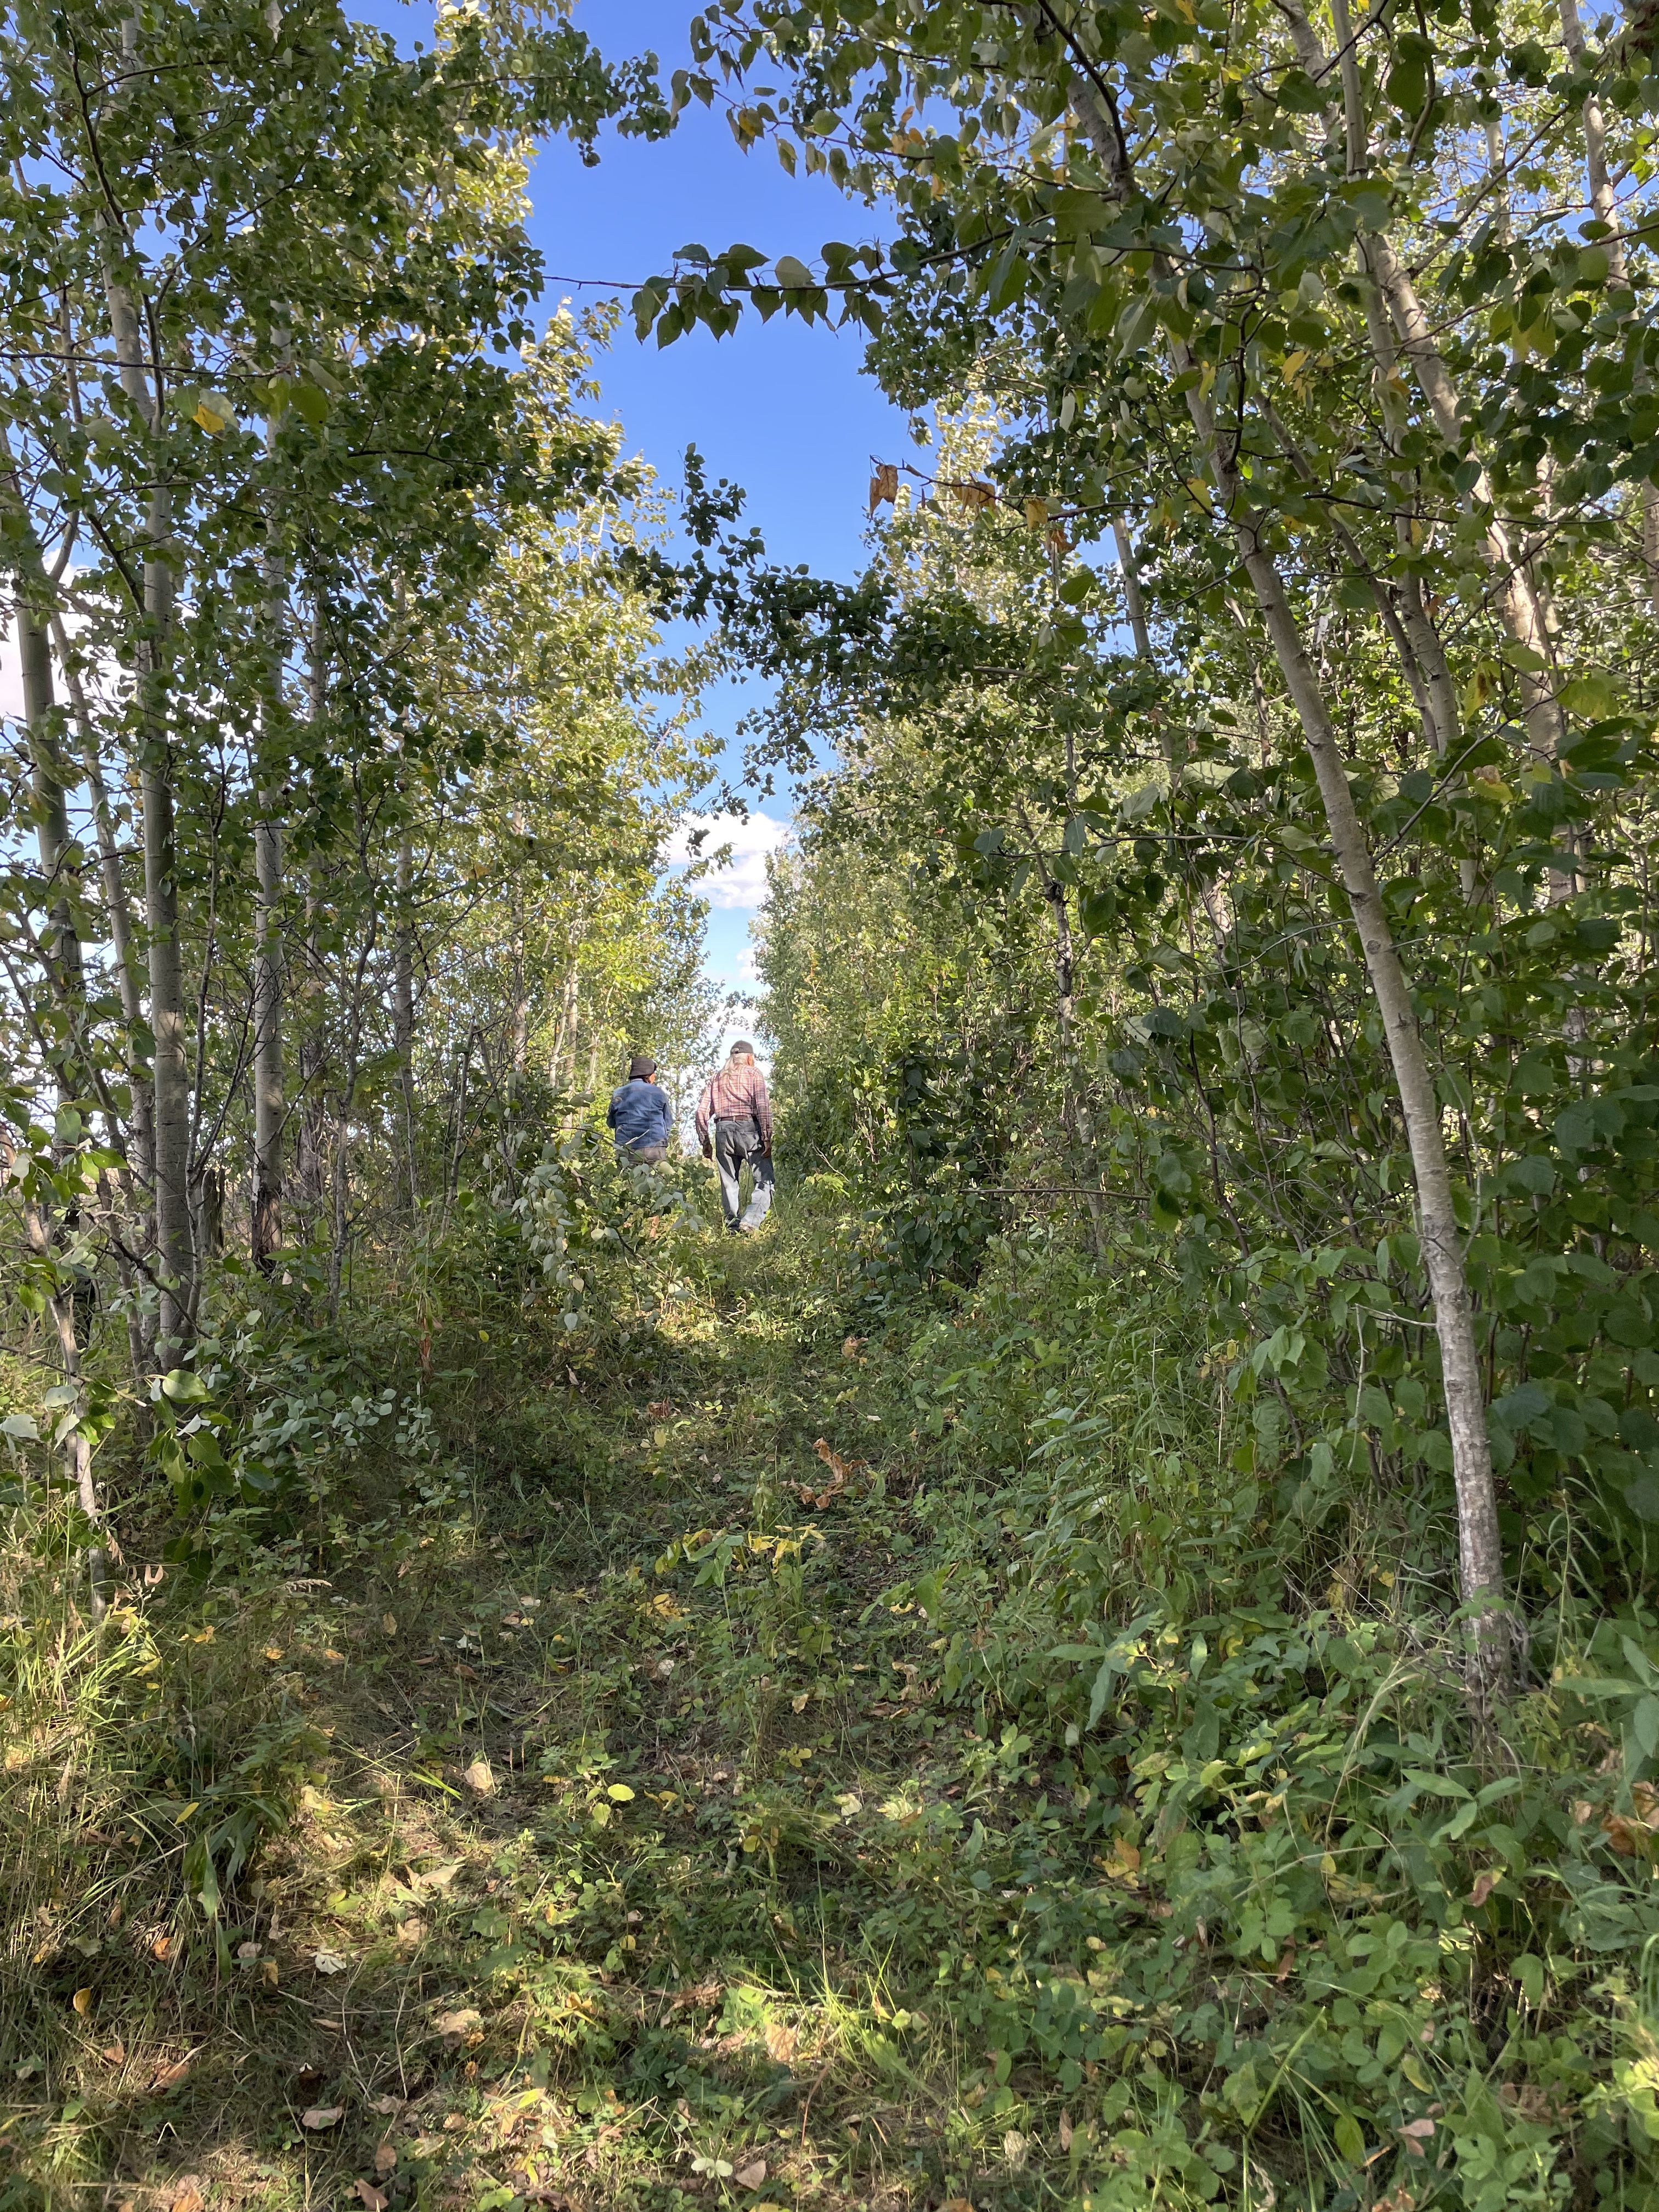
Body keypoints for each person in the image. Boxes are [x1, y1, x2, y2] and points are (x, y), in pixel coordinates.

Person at [695, 1039, 774, 1233]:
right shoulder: (754, 1073)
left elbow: (701, 1112)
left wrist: (705, 1142)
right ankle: (751, 1221)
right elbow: (763, 1106)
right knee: (764, 1179)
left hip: (723, 1130)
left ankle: (732, 1226)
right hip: (749, 1128)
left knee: (729, 1181)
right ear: (749, 1058)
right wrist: (766, 1136)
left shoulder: (716, 1078)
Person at [607, 1054, 672, 1165]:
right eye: (653, 1075)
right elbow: (668, 1124)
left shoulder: (618, 1093)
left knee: (629, 1181)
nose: (655, 1077)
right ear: (647, 1076)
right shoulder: (658, 1093)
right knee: (655, 1181)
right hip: (654, 1148)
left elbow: (611, 1123)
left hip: (627, 1148)